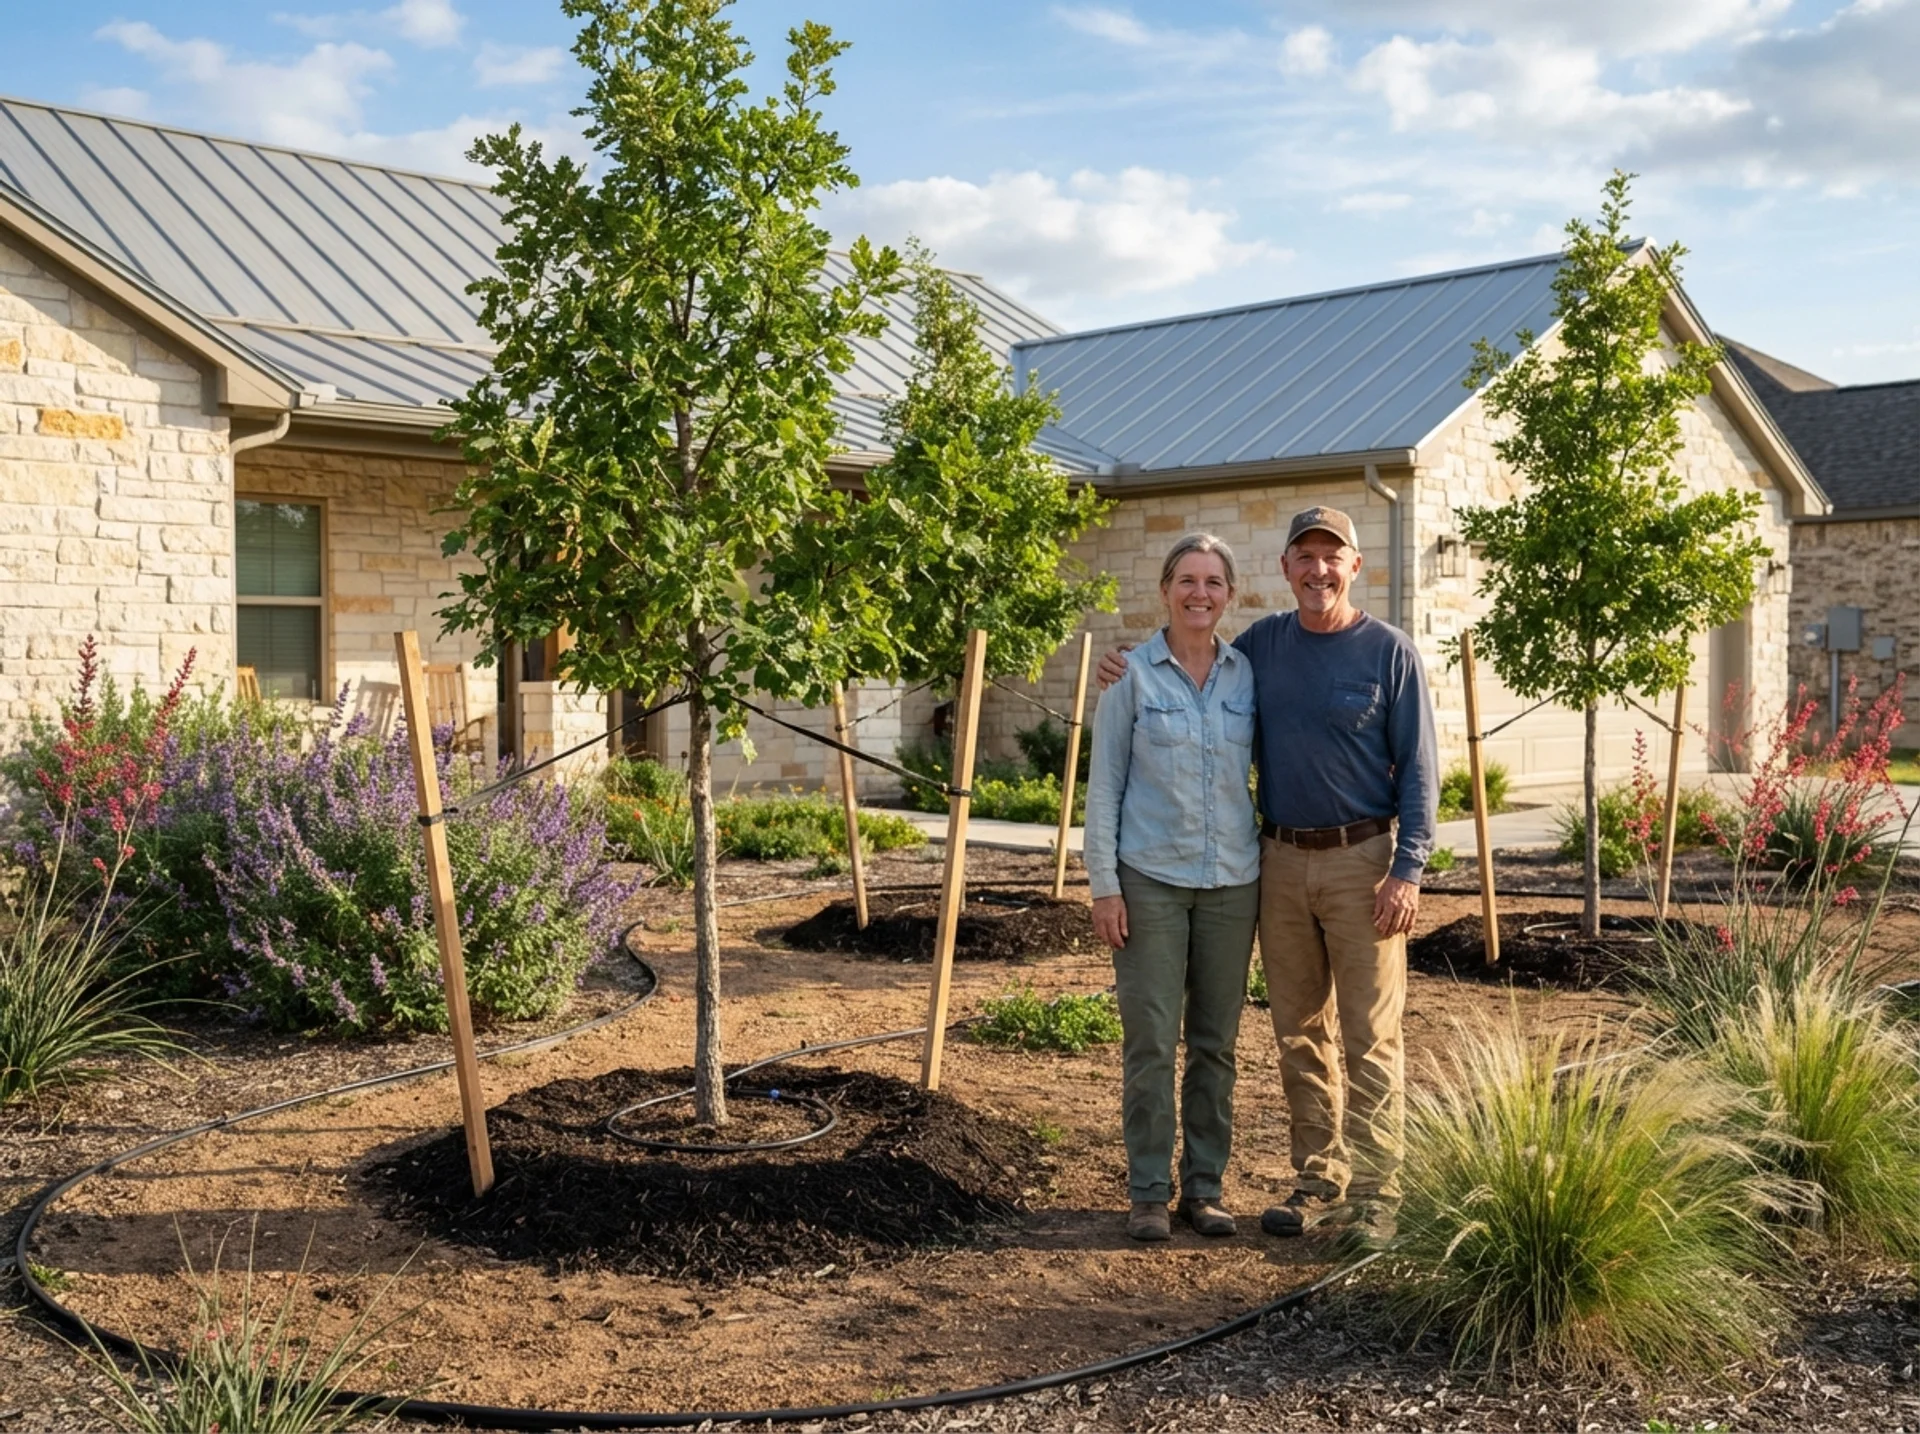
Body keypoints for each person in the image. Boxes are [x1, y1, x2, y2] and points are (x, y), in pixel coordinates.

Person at [1097, 506, 1437, 1247]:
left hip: (1364, 864)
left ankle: (1377, 1194)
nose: (1318, 571)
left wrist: (1408, 870)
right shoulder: (1258, 652)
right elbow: (1188, 659)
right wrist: (1121, 664)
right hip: (1277, 864)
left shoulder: (1389, 653)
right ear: (1284, 569)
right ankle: (1319, 1181)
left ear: (1356, 568)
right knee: (1298, 1033)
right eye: (1304, 558)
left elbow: (1420, 771)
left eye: (1332, 558)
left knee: (1369, 1035)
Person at [1083, 532, 1261, 1243]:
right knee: (1152, 1042)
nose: (1200, 594)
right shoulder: (1129, 676)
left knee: (1216, 1044)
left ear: (1230, 595)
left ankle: (1205, 1188)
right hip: (1149, 880)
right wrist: (1104, 885)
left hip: (1231, 883)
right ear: (1165, 590)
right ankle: (1149, 1192)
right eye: (1187, 580)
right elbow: (1105, 789)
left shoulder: (1248, 676)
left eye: (1214, 582)